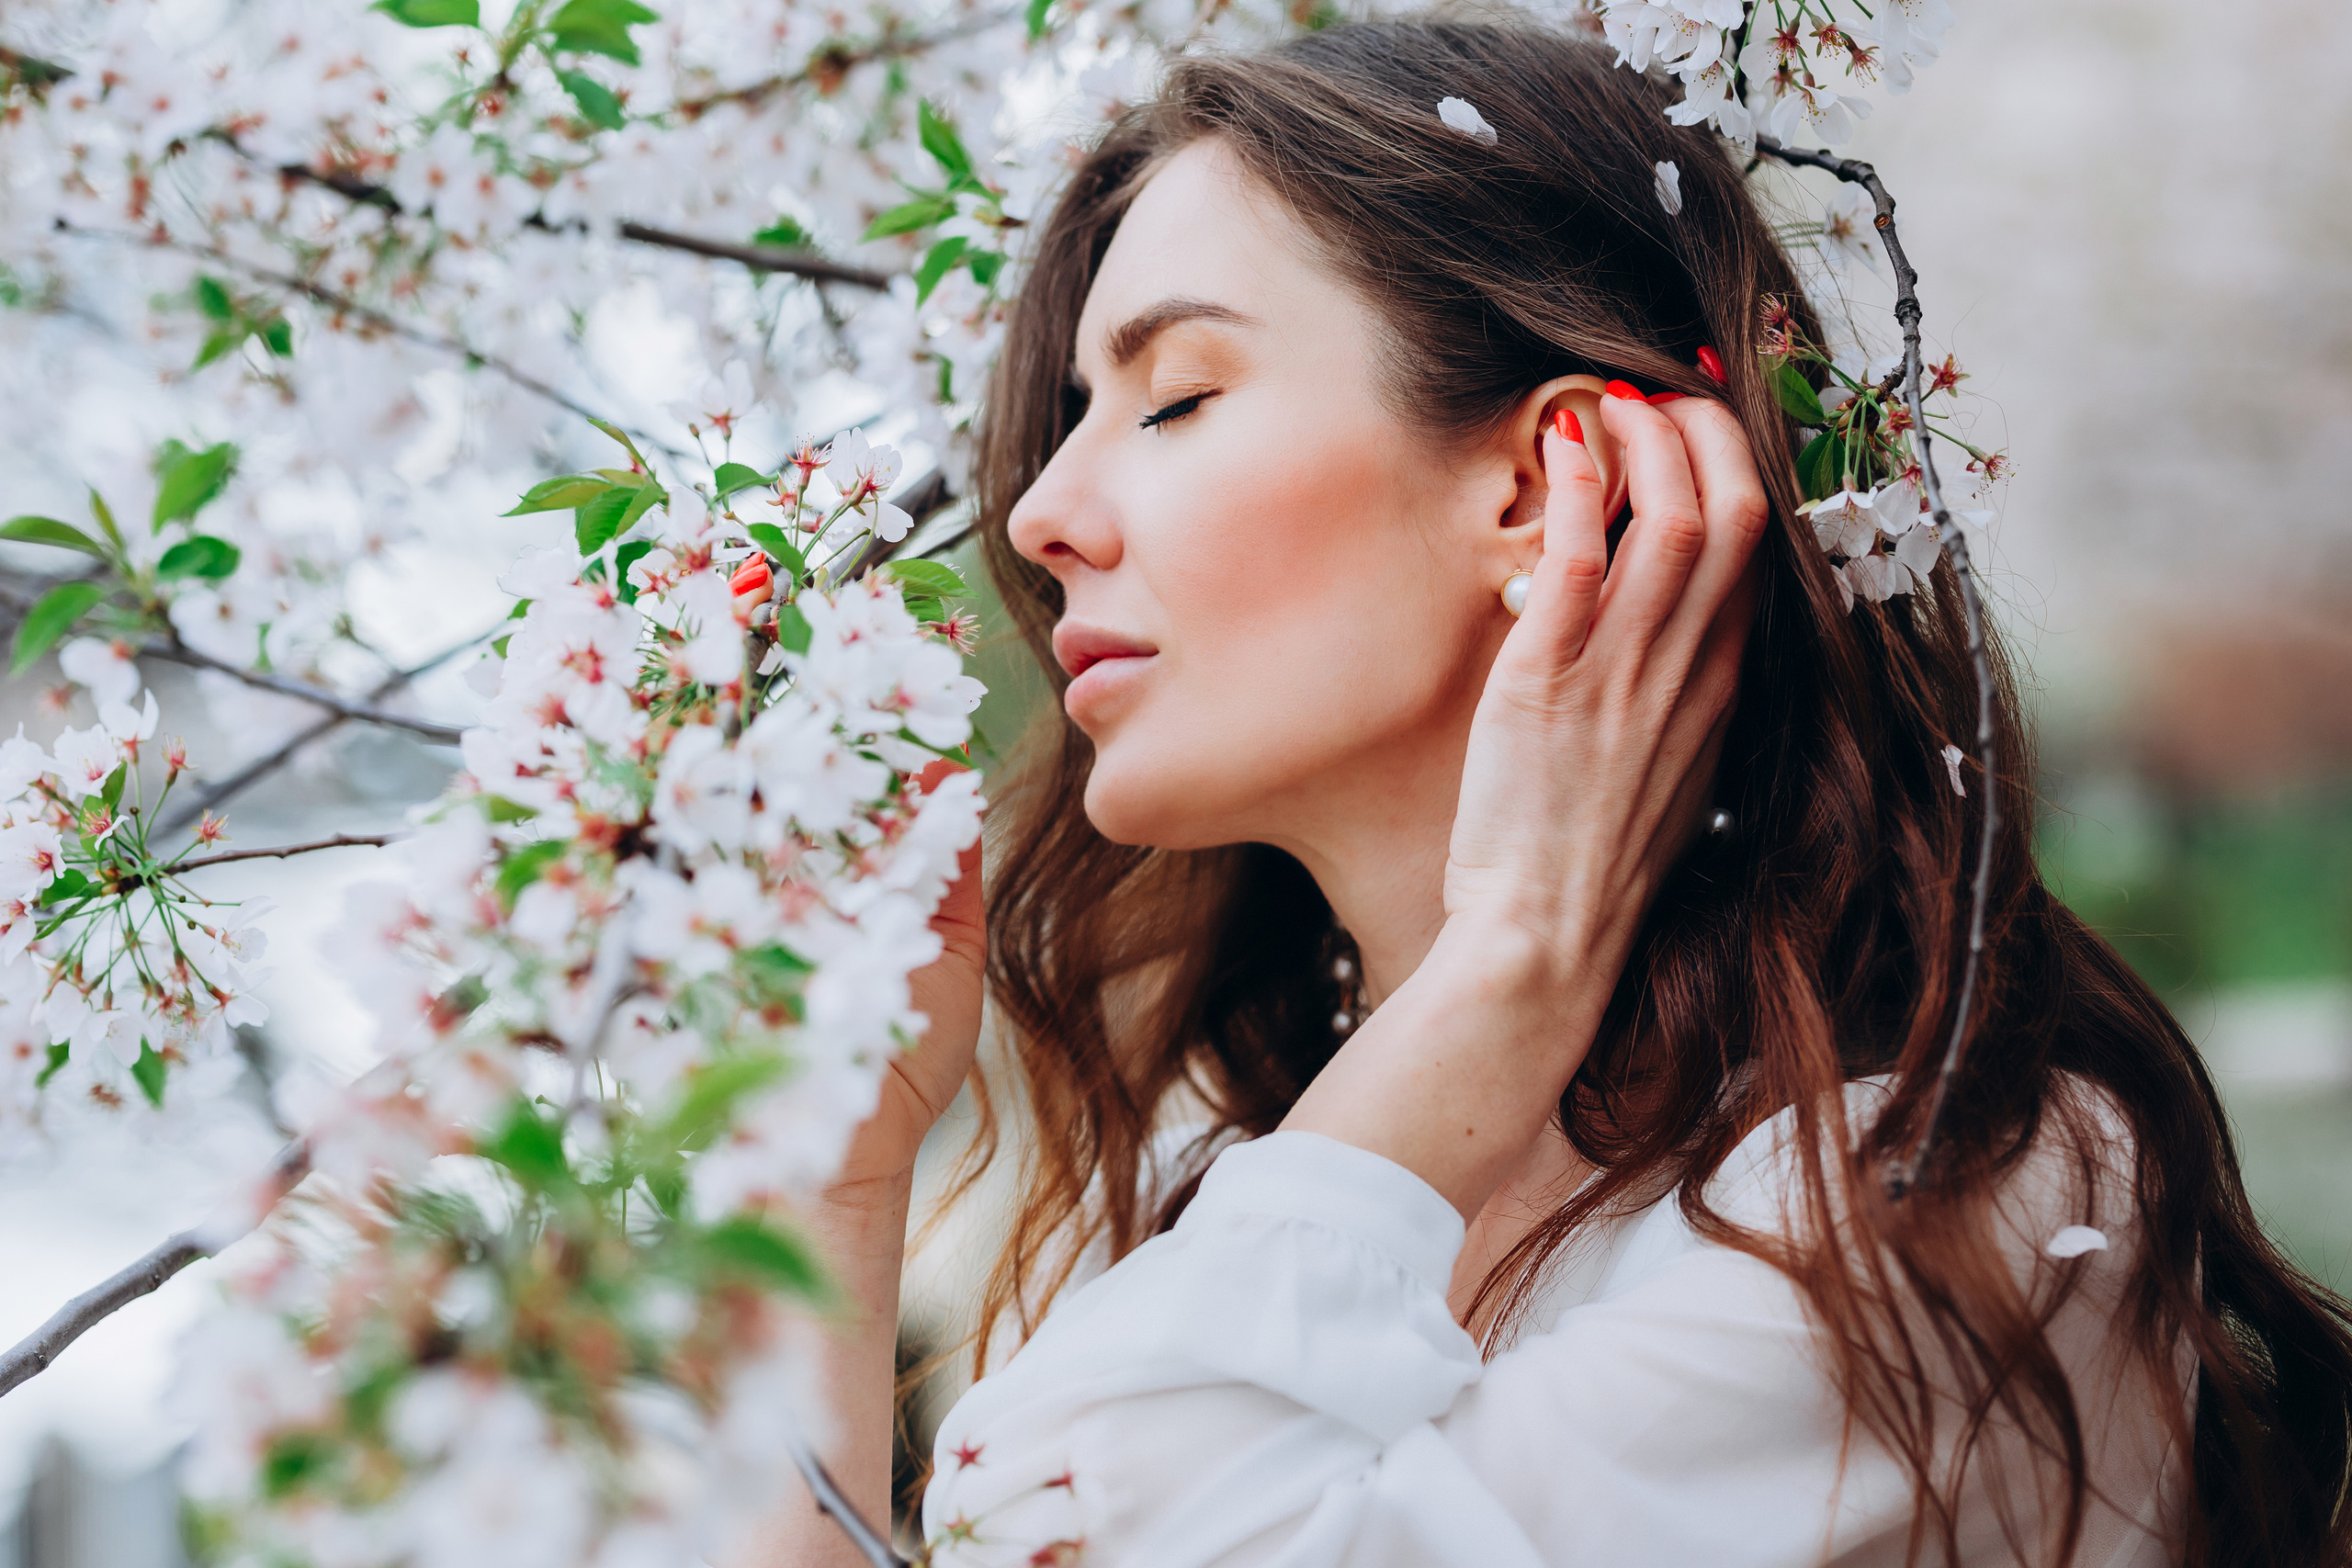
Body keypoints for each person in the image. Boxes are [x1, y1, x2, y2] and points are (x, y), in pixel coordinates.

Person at [762, 20, 2352, 1567]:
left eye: (1175, 398)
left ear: (1546, 489)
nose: (1040, 512)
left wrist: (1516, 954)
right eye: (1064, 425)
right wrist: (833, 1175)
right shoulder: (1218, 1202)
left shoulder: (1938, 1207)